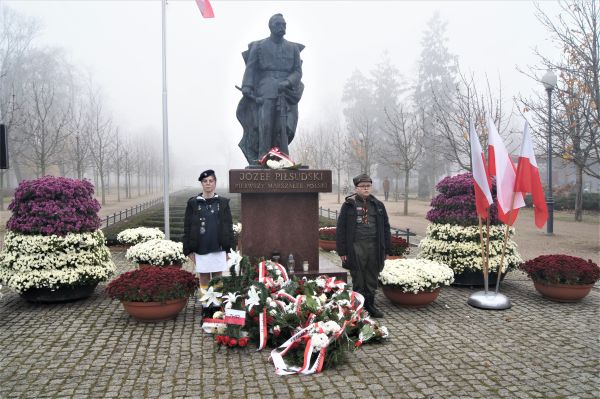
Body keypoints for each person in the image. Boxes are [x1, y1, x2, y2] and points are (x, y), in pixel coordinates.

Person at [236, 13, 305, 165]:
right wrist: (247, 86)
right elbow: (251, 68)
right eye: (278, 25)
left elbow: (298, 71)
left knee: (284, 127)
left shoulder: (293, 48)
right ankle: (263, 156)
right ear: (271, 27)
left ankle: (281, 158)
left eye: (284, 25)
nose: (282, 27)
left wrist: (287, 82)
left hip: (286, 92)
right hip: (265, 89)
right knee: (265, 125)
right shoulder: (259, 46)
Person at [336, 173, 391, 318]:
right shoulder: (349, 205)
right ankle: (358, 307)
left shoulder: (378, 205)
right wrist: (342, 250)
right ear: (356, 188)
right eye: (363, 186)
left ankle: (370, 305)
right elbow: (341, 228)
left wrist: (387, 249)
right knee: (358, 277)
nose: (366, 189)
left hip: (374, 246)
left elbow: (386, 227)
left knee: (372, 277)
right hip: (356, 247)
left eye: (368, 186)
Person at [183, 170, 235, 291]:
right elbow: (187, 227)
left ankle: (217, 306)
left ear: (215, 183)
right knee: (204, 277)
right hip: (201, 248)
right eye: (205, 181)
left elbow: (229, 226)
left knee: (218, 277)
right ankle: (206, 306)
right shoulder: (193, 203)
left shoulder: (222, 203)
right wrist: (188, 251)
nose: (208, 183)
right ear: (201, 184)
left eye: (211, 181)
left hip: (219, 248)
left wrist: (230, 250)